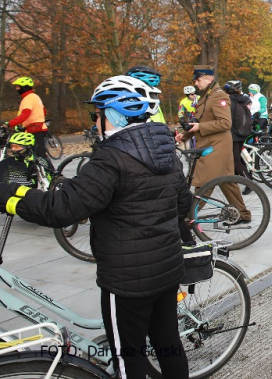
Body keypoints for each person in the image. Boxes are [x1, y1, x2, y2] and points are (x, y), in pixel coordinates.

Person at [0, 75, 190, 379]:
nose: (95, 121)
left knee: (129, 357)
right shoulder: (166, 152)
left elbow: (61, 209)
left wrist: (12, 195)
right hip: (167, 270)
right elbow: (183, 205)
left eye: (97, 114)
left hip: (127, 282)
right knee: (168, 344)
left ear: (113, 115)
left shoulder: (110, 160)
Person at [175, 65, 251, 225]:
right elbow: (201, 121)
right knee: (226, 181)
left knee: (204, 183)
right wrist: (185, 135)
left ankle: (188, 221)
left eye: (198, 80)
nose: (196, 84)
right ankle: (243, 214)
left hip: (216, 148)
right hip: (212, 145)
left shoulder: (218, 96)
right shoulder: (207, 96)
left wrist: (199, 127)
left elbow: (225, 123)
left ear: (208, 78)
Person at [6, 76, 50, 167]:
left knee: (39, 156)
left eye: (18, 87)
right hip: (39, 129)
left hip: (35, 130)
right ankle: (44, 175)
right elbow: (43, 111)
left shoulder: (28, 98)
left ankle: (53, 176)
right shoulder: (35, 96)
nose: (16, 89)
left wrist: (10, 124)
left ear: (24, 87)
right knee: (37, 155)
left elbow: (25, 114)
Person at [224, 80, 253, 187]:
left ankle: (248, 183)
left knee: (235, 160)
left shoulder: (230, 101)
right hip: (243, 132)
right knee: (238, 158)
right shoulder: (245, 99)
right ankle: (241, 178)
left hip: (233, 133)